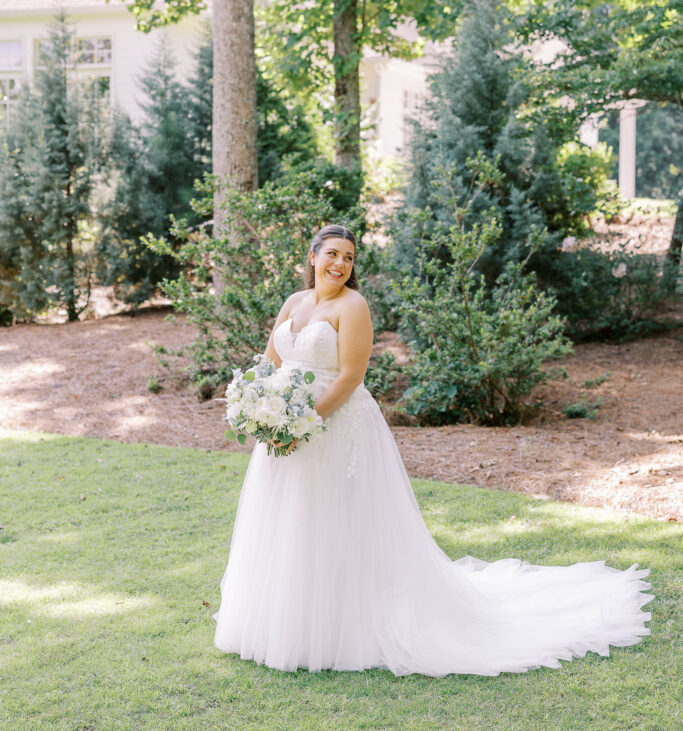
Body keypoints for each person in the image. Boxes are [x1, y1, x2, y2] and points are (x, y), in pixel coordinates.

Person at [213, 224, 652, 677]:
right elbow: (270, 361)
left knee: (337, 520)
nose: (340, 264)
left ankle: (343, 625)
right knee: (290, 519)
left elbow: (350, 376)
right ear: (311, 256)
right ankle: (289, 621)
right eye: (332, 254)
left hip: (334, 424)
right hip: (285, 426)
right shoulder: (294, 303)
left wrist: (304, 424)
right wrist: (259, 409)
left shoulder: (353, 306)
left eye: (348, 257)